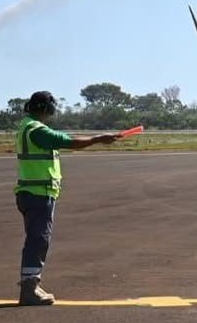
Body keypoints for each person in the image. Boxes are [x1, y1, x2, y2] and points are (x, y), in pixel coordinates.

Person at [14, 91, 122, 306]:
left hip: (31, 191)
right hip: (38, 193)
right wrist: (99, 139)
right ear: (46, 107)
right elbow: (68, 141)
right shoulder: (36, 130)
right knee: (38, 239)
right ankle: (29, 287)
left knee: (37, 238)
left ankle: (31, 283)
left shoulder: (27, 126)